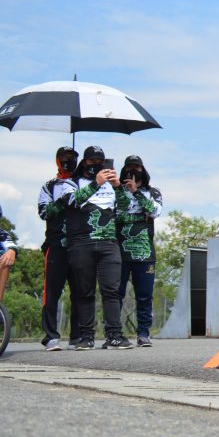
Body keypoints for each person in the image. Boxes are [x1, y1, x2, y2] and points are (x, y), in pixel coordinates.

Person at [63, 145, 133, 350]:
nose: (96, 165)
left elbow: (125, 207)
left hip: (109, 242)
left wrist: (118, 186)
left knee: (112, 290)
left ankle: (114, 335)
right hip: (81, 242)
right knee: (84, 292)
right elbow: (71, 202)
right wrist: (96, 183)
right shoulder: (72, 183)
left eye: (100, 162)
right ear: (84, 162)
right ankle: (86, 337)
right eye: (92, 162)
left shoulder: (111, 184)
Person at [116, 155, 163, 347]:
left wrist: (135, 192)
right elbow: (116, 212)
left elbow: (155, 211)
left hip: (144, 254)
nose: (133, 171)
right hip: (118, 252)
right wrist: (121, 188)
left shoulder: (153, 192)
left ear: (143, 170)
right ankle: (114, 333)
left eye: (137, 167)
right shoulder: (114, 191)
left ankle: (144, 333)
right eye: (129, 168)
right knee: (115, 294)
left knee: (144, 295)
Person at [37, 146, 80, 350]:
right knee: (52, 292)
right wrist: (61, 202)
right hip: (56, 246)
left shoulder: (83, 183)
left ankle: (77, 336)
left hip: (79, 245)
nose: (67, 161)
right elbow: (44, 212)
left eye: (71, 158)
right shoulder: (49, 186)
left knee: (81, 292)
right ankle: (51, 336)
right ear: (57, 160)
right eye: (64, 157)